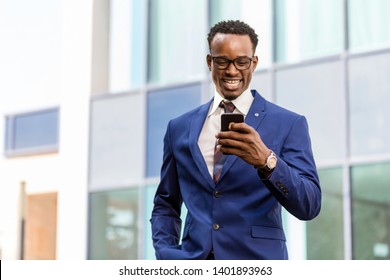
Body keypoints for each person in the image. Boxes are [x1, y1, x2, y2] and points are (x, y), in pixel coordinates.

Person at [150, 20, 321, 260]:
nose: (232, 71)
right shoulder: (179, 128)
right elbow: (166, 204)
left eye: (242, 62)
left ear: (254, 63)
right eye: (222, 61)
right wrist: (166, 254)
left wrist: (266, 160)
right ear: (210, 62)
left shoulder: (289, 124)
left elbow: (309, 205)